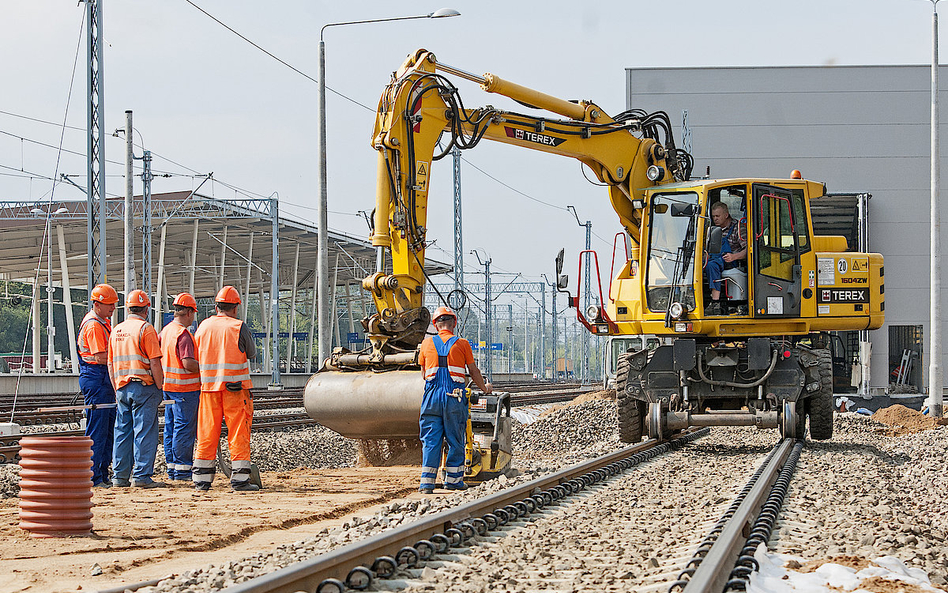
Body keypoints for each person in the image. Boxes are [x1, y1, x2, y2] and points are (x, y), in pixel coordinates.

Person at [416, 306, 492, 494]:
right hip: (453, 397)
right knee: (455, 438)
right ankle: (453, 481)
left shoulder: (425, 344)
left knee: (431, 441)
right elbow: (473, 371)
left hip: (432, 397)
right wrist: (485, 388)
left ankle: (427, 484)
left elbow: (424, 373)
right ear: (454, 324)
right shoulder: (462, 343)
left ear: (435, 324)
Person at [192, 286, 258, 492]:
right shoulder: (238, 327)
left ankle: (201, 480)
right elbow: (251, 353)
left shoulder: (203, 326)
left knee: (206, 433)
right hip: (235, 389)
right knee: (238, 432)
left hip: (209, 389)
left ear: (216, 306)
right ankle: (240, 480)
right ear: (236, 307)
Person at [108, 290, 165, 488]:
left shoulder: (116, 330)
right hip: (144, 386)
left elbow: (110, 364)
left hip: (122, 387)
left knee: (122, 432)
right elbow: (155, 363)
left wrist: (117, 387)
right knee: (144, 432)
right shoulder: (145, 329)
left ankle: (119, 477)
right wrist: (159, 386)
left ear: (128, 308)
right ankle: (141, 476)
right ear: (146, 309)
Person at [78, 283, 119, 488]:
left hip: (100, 378)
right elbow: (100, 356)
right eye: (109, 304)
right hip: (97, 377)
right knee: (98, 429)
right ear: (97, 304)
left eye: (113, 304)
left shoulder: (102, 322)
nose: (112, 308)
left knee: (106, 428)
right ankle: (93, 476)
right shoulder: (94, 325)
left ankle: (101, 474)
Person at [159, 293, 201, 482]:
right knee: (184, 429)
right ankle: (183, 470)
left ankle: (172, 468)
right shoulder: (183, 334)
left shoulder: (166, 331)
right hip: (185, 388)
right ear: (189, 312)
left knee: (171, 428)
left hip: (168, 387)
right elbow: (188, 363)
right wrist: (207, 368)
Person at [705, 202, 747, 314]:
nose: (715, 219)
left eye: (717, 216)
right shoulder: (711, 230)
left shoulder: (738, 228)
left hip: (731, 262)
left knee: (711, 266)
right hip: (714, 257)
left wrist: (734, 256)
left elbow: (748, 250)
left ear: (726, 215)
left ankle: (715, 302)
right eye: (713, 216)